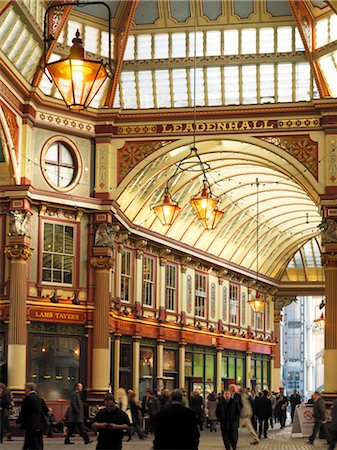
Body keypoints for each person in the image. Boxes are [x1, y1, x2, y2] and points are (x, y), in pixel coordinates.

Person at [17, 382, 48, 450]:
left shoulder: (28, 398)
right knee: (35, 441)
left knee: (32, 441)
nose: (25, 390)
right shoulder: (39, 398)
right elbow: (46, 410)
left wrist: (19, 421)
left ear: (28, 389)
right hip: (39, 423)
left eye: (25, 388)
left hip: (30, 423)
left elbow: (24, 411)